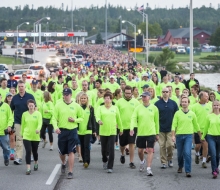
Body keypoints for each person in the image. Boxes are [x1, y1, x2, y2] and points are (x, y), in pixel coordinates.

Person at [52, 88, 84, 179]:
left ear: (70, 95)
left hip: (72, 130)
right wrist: (56, 127)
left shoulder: (76, 106)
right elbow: (54, 118)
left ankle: (70, 171)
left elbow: (82, 118)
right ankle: (63, 163)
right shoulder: (58, 105)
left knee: (71, 151)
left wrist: (75, 120)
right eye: (64, 94)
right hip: (62, 131)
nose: (65, 96)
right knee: (62, 152)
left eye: (67, 94)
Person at [130, 92, 159, 176]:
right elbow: (133, 118)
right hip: (141, 133)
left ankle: (148, 168)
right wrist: (131, 128)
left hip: (151, 132)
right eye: (142, 97)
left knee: (150, 150)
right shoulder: (138, 108)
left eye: (145, 97)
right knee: (140, 151)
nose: (143, 98)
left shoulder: (154, 108)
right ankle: (142, 161)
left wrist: (157, 133)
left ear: (149, 97)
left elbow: (156, 121)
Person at [172, 96, 201, 177]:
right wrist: (173, 135)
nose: (184, 103)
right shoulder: (177, 113)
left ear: (188, 103)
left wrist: (201, 136)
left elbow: (196, 125)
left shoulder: (192, 114)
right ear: (181, 103)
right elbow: (174, 125)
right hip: (179, 136)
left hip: (188, 136)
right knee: (180, 154)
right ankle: (180, 166)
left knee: (187, 153)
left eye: (186, 102)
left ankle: (188, 171)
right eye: (183, 102)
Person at [96, 92, 123, 173]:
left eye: (108, 98)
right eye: (105, 98)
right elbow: (97, 116)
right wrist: (99, 120)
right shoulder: (100, 108)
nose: (107, 100)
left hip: (112, 131)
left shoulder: (115, 108)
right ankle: (104, 160)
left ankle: (110, 166)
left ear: (111, 100)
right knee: (104, 150)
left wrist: (121, 129)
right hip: (103, 131)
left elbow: (119, 119)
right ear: (104, 99)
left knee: (111, 149)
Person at [11, 80, 35, 165]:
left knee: (29, 138)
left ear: (25, 87)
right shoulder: (15, 98)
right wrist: (11, 122)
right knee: (19, 139)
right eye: (19, 86)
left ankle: (31, 154)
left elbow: (35, 108)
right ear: (18, 88)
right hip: (18, 121)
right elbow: (11, 109)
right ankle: (19, 157)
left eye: (22, 86)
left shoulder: (30, 96)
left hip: (29, 121)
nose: (21, 88)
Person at [116, 85, 140, 169]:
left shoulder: (136, 102)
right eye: (126, 93)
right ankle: (122, 154)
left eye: (129, 93)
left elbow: (138, 114)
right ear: (123, 93)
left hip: (132, 127)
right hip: (122, 127)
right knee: (122, 144)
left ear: (132, 93)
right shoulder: (119, 102)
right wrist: (117, 124)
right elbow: (116, 114)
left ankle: (131, 161)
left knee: (132, 144)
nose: (127, 95)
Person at [155, 87, 178, 169]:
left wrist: (176, 128)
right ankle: (163, 162)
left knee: (170, 145)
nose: (165, 93)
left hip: (171, 129)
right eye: (163, 92)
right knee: (162, 146)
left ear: (169, 93)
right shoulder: (157, 104)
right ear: (162, 93)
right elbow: (154, 116)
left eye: (166, 92)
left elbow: (177, 115)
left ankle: (170, 158)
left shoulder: (173, 103)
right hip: (160, 128)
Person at [21, 99, 42, 175]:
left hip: (35, 136)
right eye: (29, 106)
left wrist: (38, 129)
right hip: (26, 135)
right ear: (27, 106)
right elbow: (23, 124)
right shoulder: (24, 114)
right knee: (28, 151)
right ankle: (28, 168)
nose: (31, 107)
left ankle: (36, 162)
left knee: (34, 151)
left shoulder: (38, 114)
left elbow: (40, 123)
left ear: (34, 106)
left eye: (32, 105)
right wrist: (22, 133)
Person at [191, 91, 212, 168]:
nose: (207, 98)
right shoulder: (194, 107)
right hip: (197, 130)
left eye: (207, 96)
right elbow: (192, 119)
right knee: (198, 146)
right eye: (206, 96)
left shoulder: (209, 106)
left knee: (205, 145)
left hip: (207, 130)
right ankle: (197, 154)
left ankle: (203, 161)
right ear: (201, 97)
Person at [201, 100, 220, 179]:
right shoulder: (209, 116)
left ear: (219, 106)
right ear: (212, 106)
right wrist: (203, 137)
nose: (216, 107)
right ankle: (214, 171)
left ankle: (216, 167)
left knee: (218, 155)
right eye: (214, 105)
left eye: (217, 105)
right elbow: (206, 127)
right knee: (213, 154)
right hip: (210, 136)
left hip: (219, 136)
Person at [77, 93, 96, 168]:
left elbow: (92, 119)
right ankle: (84, 159)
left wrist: (94, 130)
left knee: (86, 145)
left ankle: (87, 161)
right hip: (80, 130)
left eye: (84, 98)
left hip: (88, 130)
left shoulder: (91, 108)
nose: (83, 100)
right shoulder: (77, 107)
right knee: (82, 145)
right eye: (82, 98)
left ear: (87, 99)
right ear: (79, 99)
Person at [0, 93, 14, 167]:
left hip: (3, 131)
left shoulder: (6, 106)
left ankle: (6, 158)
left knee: (6, 148)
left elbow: (10, 117)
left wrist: (9, 125)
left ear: (1, 97)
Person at [4, 92, 15, 160]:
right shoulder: (4, 105)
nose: (9, 98)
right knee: (6, 140)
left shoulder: (14, 105)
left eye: (10, 96)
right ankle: (8, 150)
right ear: (6, 98)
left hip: (12, 124)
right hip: (5, 125)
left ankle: (12, 153)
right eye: (8, 97)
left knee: (12, 138)